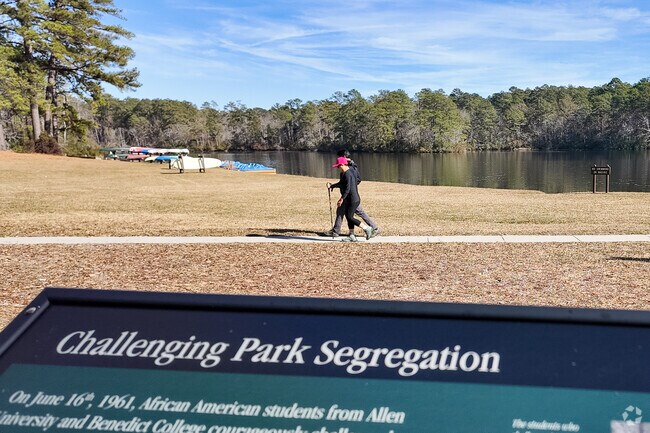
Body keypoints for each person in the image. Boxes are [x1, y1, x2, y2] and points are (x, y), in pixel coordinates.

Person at [326, 150, 380, 238]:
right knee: (344, 212)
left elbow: (356, 180)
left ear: (343, 157)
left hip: (350, 196)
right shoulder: (348, 167)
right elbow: (344, 182)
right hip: (348, 195)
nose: (337, 159)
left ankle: (372, 228)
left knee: (351, 213)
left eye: (339, 157)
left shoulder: (350, 168)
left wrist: (351, 188)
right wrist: (334, 186)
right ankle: (344, 233)